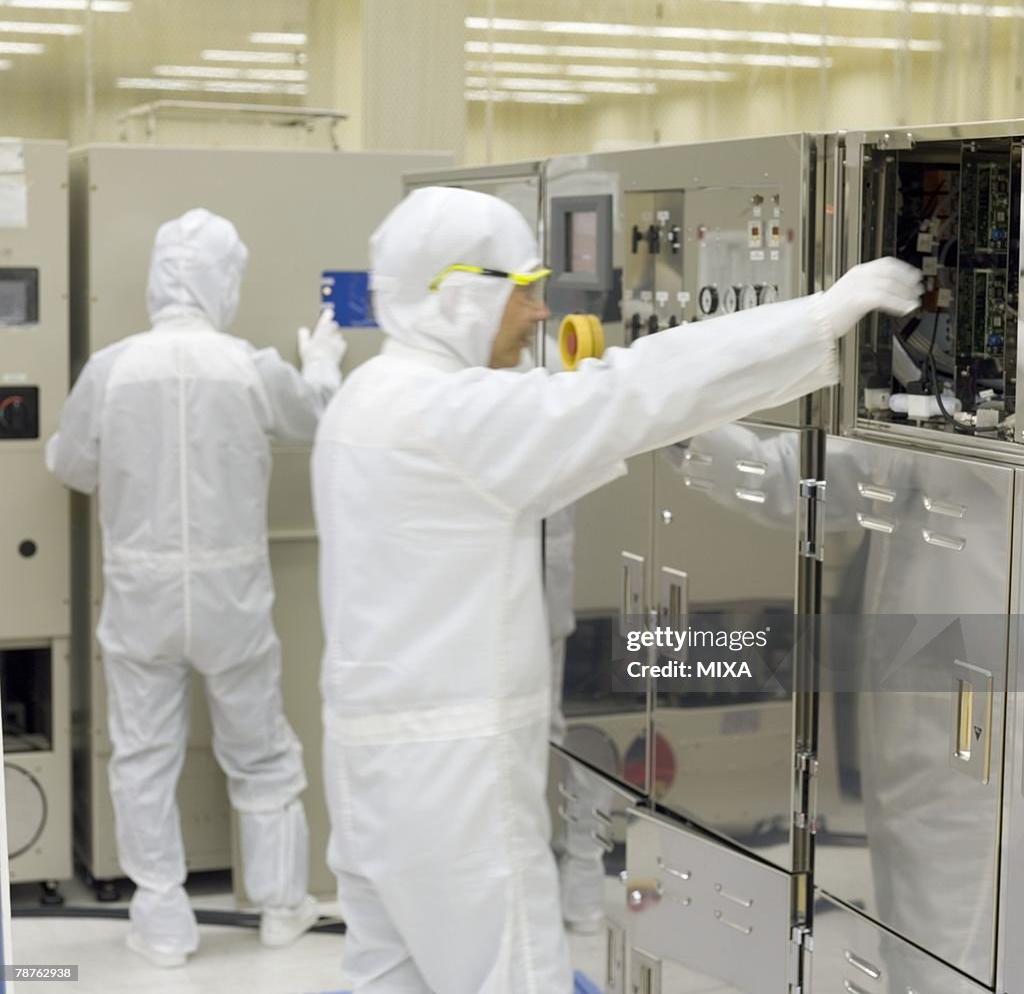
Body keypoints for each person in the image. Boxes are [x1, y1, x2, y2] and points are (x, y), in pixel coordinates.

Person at [312, 185, 923, 993]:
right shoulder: (447, 417)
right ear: (460, 295)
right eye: (522, 291)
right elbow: (634, 389)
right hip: (451, 782)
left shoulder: (366, 400)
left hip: (370, 773)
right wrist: (816, 317)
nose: (537, 314)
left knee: (387, 976)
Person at [45, 208, 346, 968]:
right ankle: (282, 906)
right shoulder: (247, 364)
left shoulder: (111, 368)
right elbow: (317, 420)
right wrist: (321, 365)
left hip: (141, 598)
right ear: (223, 282)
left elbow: (71, 466)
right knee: (262, 753)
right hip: (230, 600)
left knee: (143, 757)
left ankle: (164, 922)